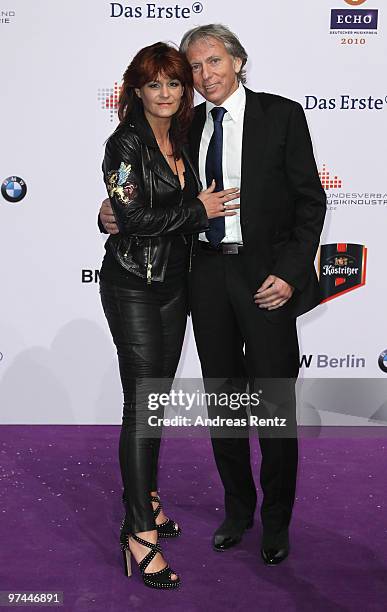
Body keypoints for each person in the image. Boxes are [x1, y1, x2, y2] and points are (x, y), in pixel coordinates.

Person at [99, 25, 326, 567]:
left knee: (272, 405)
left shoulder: (282, 114)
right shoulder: (186, 122)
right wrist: (108, 214)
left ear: (239, 61)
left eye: (213, 62)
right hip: (201, 277)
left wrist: (292, 274)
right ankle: (238, 510)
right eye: (194, 68)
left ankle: (276, 522)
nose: (203, 77)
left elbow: (310, 203)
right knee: (225, 403)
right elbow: (146, 194)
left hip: (265, 278)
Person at [99, 41, 240, 589]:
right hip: (133, 284)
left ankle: (147, 500)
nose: (166, 93)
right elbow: (130, 217)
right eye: (154, 83)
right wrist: (196, 210)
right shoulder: (124, 143)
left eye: (175, 83)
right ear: (136, 90)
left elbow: (130, 213)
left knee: (154, 402)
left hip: (175, 284)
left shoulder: (186, 134)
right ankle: (139, 534)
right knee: (142, 404)